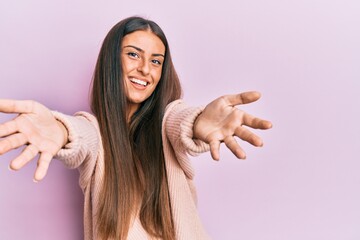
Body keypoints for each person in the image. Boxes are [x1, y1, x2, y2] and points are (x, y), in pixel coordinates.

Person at [0, 16, 272, 240]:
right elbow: (81, 134)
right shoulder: (96, 133)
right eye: (133, 55)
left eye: (156, 61)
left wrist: (200, 123)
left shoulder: (168, 121)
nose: (145, 69)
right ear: (111, 62)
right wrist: (60, 131)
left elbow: (182, 121)